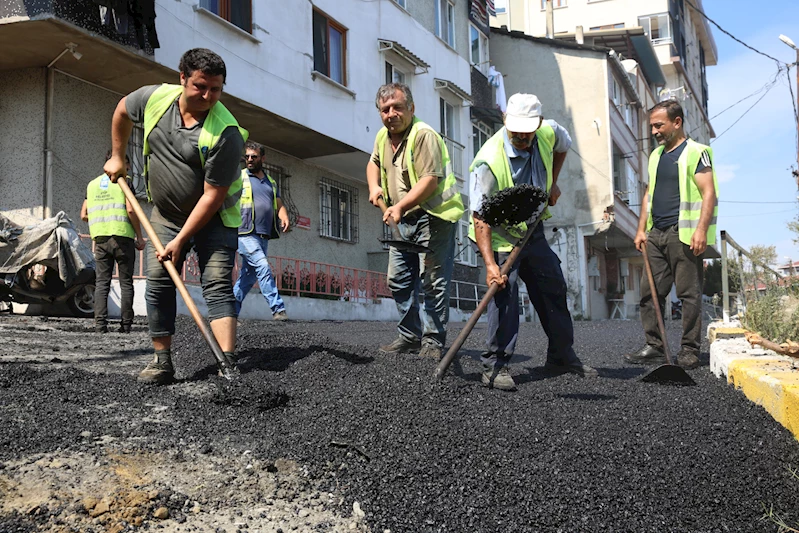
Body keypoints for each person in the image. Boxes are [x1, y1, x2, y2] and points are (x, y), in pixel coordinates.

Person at [104, 48, 247, 385]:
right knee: (158, 283)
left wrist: (182, 241)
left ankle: (227, 366)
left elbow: (213, 196)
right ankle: (161, 362)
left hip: (215, 218)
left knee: (216, 285)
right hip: (166, 216)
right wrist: (117, 156)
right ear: (182, 77)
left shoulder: (225, 133)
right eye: (200, 86)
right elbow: (122, 110)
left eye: (216, 89)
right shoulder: (154, 98)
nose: (208, 96)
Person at [469, 93, 597, 392]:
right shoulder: (488, 162)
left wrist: (551, 181)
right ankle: (494, 366)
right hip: (500, 235)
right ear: (505, 121)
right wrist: (491, 266)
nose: (522, 139)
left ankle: (561, 356)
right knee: (504, 293)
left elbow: (563, 146)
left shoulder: (549, 131)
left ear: (538, 124)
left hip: (532, 229)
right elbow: (480, 218)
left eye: (528, 133)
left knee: (553, 286)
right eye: (516, 133)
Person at [366, 83, 464, 360]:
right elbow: (373, 163)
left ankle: (432, 341)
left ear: (411, 108)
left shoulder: (424, 136)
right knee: (398, 279)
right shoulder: (383, 137)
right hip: (404, 219)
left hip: (434, 218)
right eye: (385, 109)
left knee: (433, 280)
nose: (391, 113)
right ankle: (409, 337)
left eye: (398, 107)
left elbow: (430, 181)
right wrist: (374, 187)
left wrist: (398, 207)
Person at [625, 100, 718, 369]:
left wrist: (700, 230)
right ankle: (654, 346)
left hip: (684, 234)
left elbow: (708, 192)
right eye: (652, 126)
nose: (654, 131)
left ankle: (689, 350)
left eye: (658, 125)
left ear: (677, 123)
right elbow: (648, 195)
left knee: (689, 294)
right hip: (656, 234)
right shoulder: (655, 156)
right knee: (649, 293)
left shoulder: (697, 152)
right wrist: (641, 229)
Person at [81, 152, 145, 334]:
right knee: (126, 283)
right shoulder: (124, 182)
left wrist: (100, 220)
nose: (129, 168)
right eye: (127, 164)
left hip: (100, 239)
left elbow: (83, 214)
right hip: (123, 238)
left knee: (102, 283)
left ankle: (100, 326)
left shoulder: (92, 185)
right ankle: (125, 326)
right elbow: (131, 210)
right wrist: (139, 236)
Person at [233, 141, 289, 320]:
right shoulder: (239, 177)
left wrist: (284, 215)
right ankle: (277, 308)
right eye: (247, 156)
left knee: (247, 279)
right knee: (263, 266)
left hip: (263, 235)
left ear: (262, 158)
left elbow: (278, 204)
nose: (249, 160)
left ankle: (229, 314)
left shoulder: (270, 182)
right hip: (244, 233)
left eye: (253, 157)